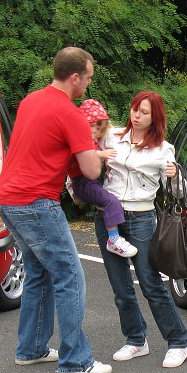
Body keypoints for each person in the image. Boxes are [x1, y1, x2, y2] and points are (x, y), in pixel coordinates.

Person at [0, 46, 112, 373]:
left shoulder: (31, 100)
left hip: (8, 198)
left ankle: (31, 348)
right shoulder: (71, 114)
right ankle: (76, 360)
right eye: (88, 78)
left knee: (39, 272)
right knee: (69, 275)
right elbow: (90, 171)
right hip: (36, 202)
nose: (88, 85)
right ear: (75, 77)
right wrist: (100, 154)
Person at [95, 91, 187, 368]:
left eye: (144, 112)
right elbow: (82, 161)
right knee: (120, 286)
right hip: (107, 217)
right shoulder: (110, 136)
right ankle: (136, 340)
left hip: (141, 217)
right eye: (135, 109)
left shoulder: (163, 148)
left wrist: (175, 176)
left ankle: (178, 342)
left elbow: (176, 192)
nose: (137, 115)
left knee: (150, 283)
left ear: (154, 117)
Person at [67, 98, 138, 258]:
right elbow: (80, 154)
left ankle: (115, 236)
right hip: (83, 182)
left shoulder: (92, 140)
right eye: (92, 125)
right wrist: (101, 154)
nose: (96, 129)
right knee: (111, 201)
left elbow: (112, 133)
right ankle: (113, 239)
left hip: (89, 182)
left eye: (99, 126)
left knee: (110, 202)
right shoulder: (79, 140)